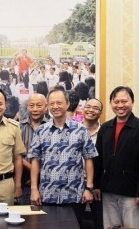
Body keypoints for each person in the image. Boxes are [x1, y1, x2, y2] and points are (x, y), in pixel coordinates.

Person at [28, 89, 97, 227]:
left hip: (74, 195)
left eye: (59, 103)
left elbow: (89, 159)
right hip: (47, 194)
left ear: (67, 104)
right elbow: (35, 161)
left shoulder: (81, 130)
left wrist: (89, 188)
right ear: (48, 106)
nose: (55, 106)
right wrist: (34, 189)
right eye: (52, 103)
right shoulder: (41, 131)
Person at [93, 86, 139, 228]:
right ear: (111, 103)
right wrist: (96, 185)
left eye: (124, 101)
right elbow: (98, 159)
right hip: (108, 190)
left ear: (132, 102)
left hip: (132, 194)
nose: (120, 105)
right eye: (116, 101)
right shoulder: (105, 128)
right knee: (111, 226)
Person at [18, 93, 48, 205]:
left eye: (39, 106)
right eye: (31, 105)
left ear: (46, 106)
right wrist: (33, 170)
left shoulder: (52, 126)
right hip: (24, 180)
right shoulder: (19, 127)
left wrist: (40, 173)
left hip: (47, 181)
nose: (35, 109)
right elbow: (15, 154)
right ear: (27, 107)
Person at [82, 99, 104, 229]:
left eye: (95, 108)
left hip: (97, 187)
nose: (91, 110)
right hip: (76, 184)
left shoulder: (105, 132)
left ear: (100, 112)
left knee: (99, 222)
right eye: (88, 107)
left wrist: (98, 185)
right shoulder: (73, 130)